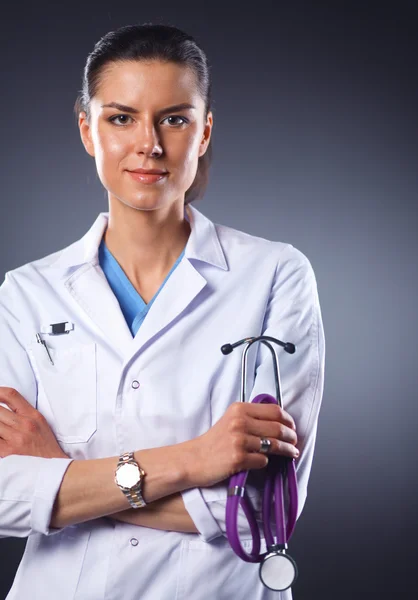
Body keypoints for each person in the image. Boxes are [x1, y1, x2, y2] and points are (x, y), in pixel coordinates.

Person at [0, 23, 325, 600]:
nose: (147, 143)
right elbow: (3, 499)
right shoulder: (25, 294)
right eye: (120, 117)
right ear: (86, 129)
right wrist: (196, 459)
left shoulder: (275, 275)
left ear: (204, 132)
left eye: (174, 118)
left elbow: (262, 518)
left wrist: (60, 479)